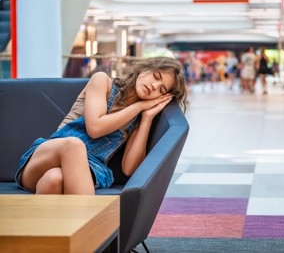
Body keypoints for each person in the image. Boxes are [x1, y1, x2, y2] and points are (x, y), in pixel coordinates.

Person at [15, 57, 187, 195]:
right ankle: (93, 233)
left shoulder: (137, 119)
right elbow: (95, 128)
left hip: (89, 168)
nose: (154, 86)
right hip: (49, 155)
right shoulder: (102, 81)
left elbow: (129, 169)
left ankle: (52, 237)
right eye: (156, 77)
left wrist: (147, 118)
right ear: (144, 69)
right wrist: (139, 106)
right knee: (74, 145)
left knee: (54, 179)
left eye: (161, 90)